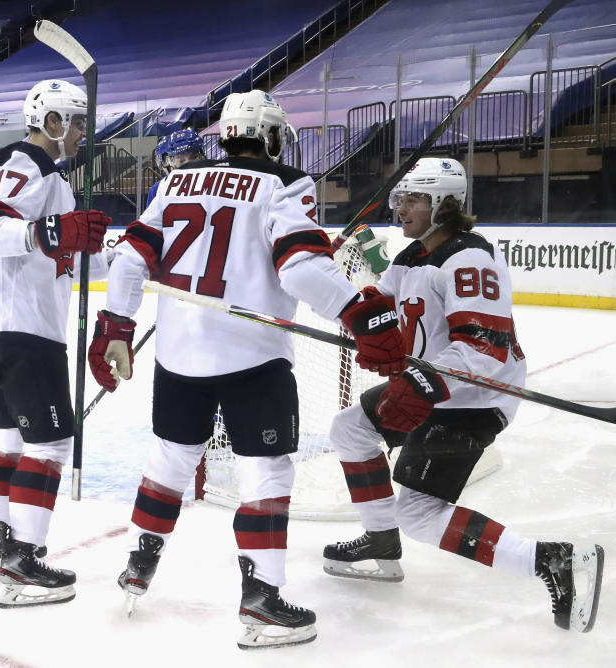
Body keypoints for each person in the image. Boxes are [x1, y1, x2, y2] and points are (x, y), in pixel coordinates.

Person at [88, 89, 406, 649]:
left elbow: (131, 259)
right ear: (272, 135)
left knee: (170, 457)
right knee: (266, 474)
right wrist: (360, 315)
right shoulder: (285, 183)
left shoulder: (175, 181)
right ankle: (262, 601)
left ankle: (140, 560)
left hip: (178, 357)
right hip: (253, 356)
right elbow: (303, 270)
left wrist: (115, 327)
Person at [320, 157, 604, 632]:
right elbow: (381, 312)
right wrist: (336, 288)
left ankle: (553, 560)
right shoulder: (410, 257)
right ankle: (381, 541)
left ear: (444, 204)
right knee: (349, 429)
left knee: (418, 511)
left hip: (476, 398)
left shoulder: (470, 259)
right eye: (400, 198)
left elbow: (482, 350)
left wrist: (421, 385)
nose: (401, 207)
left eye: (412, 199)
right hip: (432, 388)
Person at [0, 78, 111, 607]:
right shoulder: (27, 165)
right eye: (77, 122)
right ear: (53, 122)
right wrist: (51, 232)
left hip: (9, 325)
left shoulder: (45, 174)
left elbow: (62, 245)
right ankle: (24, 561)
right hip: (24, 326)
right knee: (49, 445)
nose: (82, 133)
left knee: (9, 443)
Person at [146, 128, 205, 207]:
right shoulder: (158, 189)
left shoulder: (212, 181)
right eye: (181, 160)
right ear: (166, 163)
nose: (189, 164)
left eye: (194, 157)